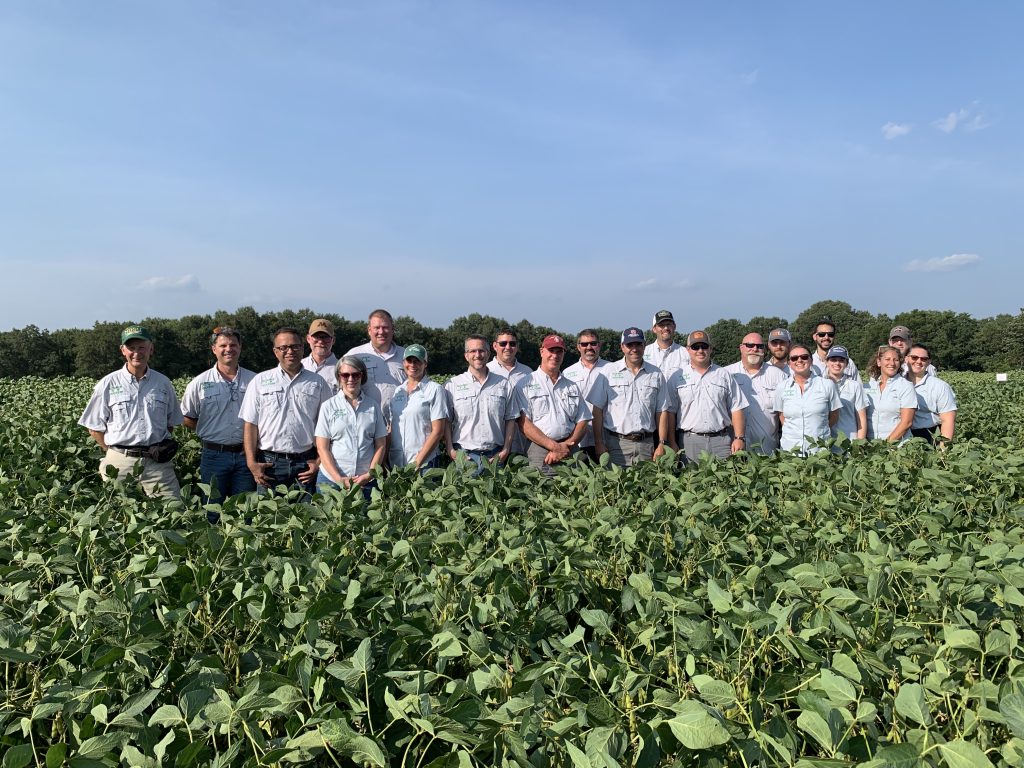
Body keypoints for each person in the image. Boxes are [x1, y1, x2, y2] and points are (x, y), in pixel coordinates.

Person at [78, 325, 183, 499]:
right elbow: (94, 428)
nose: (137, 353)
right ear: (123, 351)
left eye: (142, 347)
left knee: (173, 511)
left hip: (157, 461)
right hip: (119, 461)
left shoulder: (163, 383)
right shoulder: (108, 384)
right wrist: (112, 451)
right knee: (119, 517)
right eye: (131, 348)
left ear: (151, 349)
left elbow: (170, 424)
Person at [240, 327, 333, 495]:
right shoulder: (260, 381)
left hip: (305, 464)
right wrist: (252, 463)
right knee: (269, 518)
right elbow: (250, 425)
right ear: (275, 352)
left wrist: (319, 461)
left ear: (303, 348)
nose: (290, 351)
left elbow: (328, 426)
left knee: (305, 517)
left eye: (295, 346)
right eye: (283, 348)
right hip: (269, 465)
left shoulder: (318, 383)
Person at [180, 326, 256, 506]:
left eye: (233, 345)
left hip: (247, 455)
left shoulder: (255, 380)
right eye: (223, 345)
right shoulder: (200, 382)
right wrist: (209, 429)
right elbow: (186, 416)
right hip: (213, 455)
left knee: (245, 509)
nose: (228, 349)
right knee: (212, 508)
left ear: (240, 347)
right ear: (214, 349)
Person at [587, 327, 670, 466]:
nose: (634, 348)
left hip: (646, 444)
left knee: (646, 486)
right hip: (616, 444)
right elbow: (597, 410)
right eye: (629, 345)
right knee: (615, 486)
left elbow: (662, 411)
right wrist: (599, 443)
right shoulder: (608, 372)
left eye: (638, 344)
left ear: (644, 346)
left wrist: (662, 443)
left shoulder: (656, 374)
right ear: (622, 347)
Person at [664, 330, 748, 461]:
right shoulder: (677, 377)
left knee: (724, 480)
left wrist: (739, 438)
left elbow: (737, 408)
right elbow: (670, 413)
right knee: (691, 480)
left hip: (722, 442)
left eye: (704, 346)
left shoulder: (724, 374)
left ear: (710, 349)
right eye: (695, 347)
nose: (700, 350)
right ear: (688, 349)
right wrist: (672, 442)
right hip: (689, 442)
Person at [515, 334, 592, 477]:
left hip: (570, 450)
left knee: (572, 495)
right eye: (551, 350)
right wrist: (555, 447)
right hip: (540, 451)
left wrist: (567, 446)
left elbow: (583, 420)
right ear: (541, 351)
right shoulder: (525, 384)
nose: (555, 355)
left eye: (559, 351)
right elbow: (524, 424)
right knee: (541, 495)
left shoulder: (571, 386)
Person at [314, 355, 387, 499]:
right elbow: (322, 447)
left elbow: (381, 445)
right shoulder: (328, 407)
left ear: (362, 376)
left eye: (356, 375)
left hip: (365, 480)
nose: (350, 379)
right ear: (339, 377)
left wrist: (370, 473)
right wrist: (338, 479)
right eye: (345, 375)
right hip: (331, 480)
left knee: (368, 520)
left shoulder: (373, 406)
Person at [444, 335, 518, 472]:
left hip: (495, 456)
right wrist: (451, 450)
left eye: (481, 351)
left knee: (494, 493)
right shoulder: (452, 385)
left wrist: (505, 450)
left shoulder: (504, 384)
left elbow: (510, 419)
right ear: (466, 355)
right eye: (473, 351)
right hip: (464, 456)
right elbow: (447, 421)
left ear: (488, 353)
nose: (477, 355)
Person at [385, 345, 448, 471]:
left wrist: (417, 463)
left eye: (417, 361)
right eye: (409, 361)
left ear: (425, 364)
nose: (412, 365)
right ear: (403, 363)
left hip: (424, 464)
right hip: (397, 463)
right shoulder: (398, 391)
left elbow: (438, 431)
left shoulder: (434, 389)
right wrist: (385, 457)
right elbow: (392, 427)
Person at [772, 344, 842, 455]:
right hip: (790, 450)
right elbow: (782, 415)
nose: (799, 360)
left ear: (811, 360)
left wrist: (819, 429)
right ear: (789, 363)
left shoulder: (827, 385)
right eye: (794, 358)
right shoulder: (782, 387)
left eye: (804, 357)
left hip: (819, 451)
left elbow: (834, 415)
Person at [724, 332, 785, 454]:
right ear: (741, 348)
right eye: (750, 345)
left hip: (767, 450)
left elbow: (784, 415)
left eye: (759, 346)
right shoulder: (726, 373)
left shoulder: (779, 376)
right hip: (733, 448)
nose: (755, 349)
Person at [562, 329, 611, 461]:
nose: (589, 347)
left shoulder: (611, 369)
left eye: (593, 343)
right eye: (584, 344)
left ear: (599, 345)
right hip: (578, 441)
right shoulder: (567, 373)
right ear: (578, 347)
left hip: (606, 439)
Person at [345, 309, 406, 407]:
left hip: (400, 418)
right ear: (369, 330)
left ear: (392, 329)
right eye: (377, 328)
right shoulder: (354, 355)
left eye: (385, 327)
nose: (381, 332)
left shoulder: (406, 356)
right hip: (366, 418)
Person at [487, 328, 532, 455]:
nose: (508, 347)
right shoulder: (487, 371)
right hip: (495, 445)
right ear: (495, 346)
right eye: (503, 343)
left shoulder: (528, 372)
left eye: (512, 344)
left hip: (523, 442)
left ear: (517, 347)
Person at [904, 344, 957, 443]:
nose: (919, 361)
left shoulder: (940, 386)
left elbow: (948, 420)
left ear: (928, 362)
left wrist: (943, 450)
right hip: (901, 436)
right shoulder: (897, 383)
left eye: (924, 359)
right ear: (906, 359)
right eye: (914, 357)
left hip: (929, 436)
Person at [865, 345, 916, 443]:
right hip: (871, 445)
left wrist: (886, 445)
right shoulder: (868, 387)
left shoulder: (905, 386)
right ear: (879, 362)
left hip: (897, 445)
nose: (892, 363)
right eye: (887, 359)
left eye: (896, 360)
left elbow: (907, 422)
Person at [823, 345, 867, 440]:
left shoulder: (855, 386)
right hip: (825, 441)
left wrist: (859, 445)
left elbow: (862, 419)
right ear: (827, 362)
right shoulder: (819, 385)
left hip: (849, 440)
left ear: (847, 364)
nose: (837, 363)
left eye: (841, 360)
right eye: (833, 359)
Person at [643, 310, 689, 379]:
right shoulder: (643, 353)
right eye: (661, 325)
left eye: (668, 324)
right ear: (654, 329)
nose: (666, 328)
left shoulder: (686, 353)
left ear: (674, 326)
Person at [302, 318, 339, 393]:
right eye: (316, 336)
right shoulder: (299, 366)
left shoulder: (342, 369)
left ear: (333, 340)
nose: (321, 341)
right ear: (308, 339)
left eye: (325, 337)